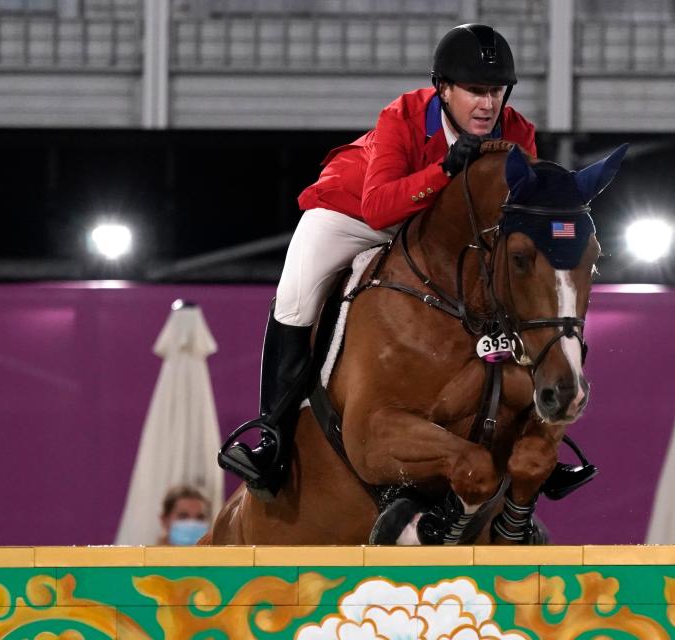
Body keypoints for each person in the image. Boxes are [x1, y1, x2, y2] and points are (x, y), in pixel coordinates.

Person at [219, 23, 591, 504]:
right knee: (296, 297)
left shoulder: (517, 132)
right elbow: (379, 208)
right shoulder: (403, 116)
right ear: (444, 89)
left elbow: (523, 219)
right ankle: (272, 437)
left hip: (438, 231)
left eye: (496, 91)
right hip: (355, 212)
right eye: (475, 92)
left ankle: (537, 434)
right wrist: (445, 169)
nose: (487, 105)